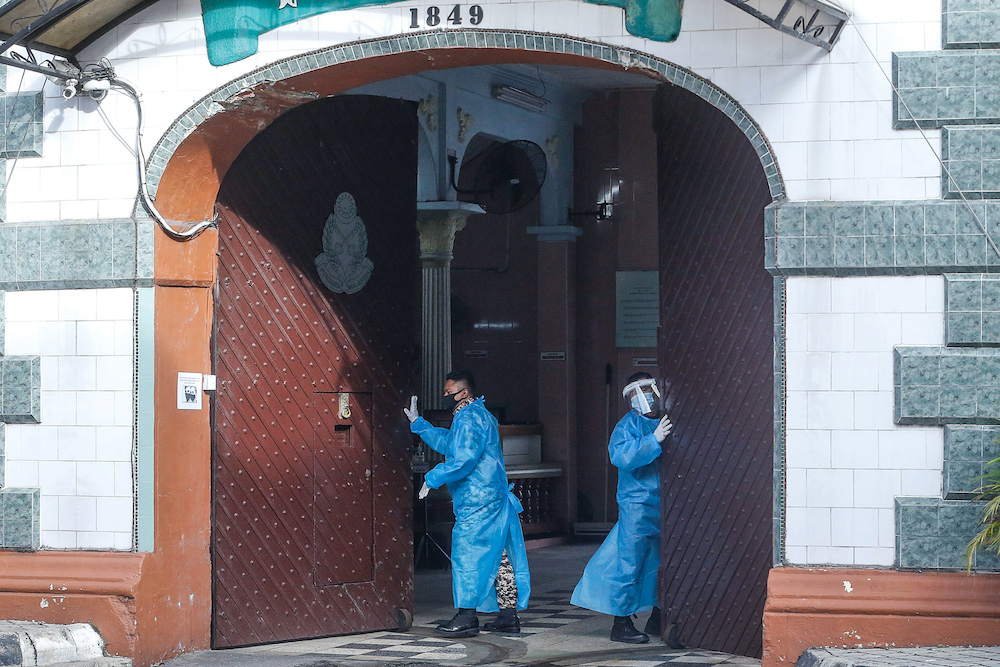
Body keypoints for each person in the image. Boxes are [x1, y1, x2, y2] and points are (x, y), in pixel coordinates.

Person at [405, 370, 530, 637]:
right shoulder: (477, 414)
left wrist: (432, 477)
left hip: (478, 501)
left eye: (449, 393)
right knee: (501, 555)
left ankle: (466, 616)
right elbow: (451, 443)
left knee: (467, 556)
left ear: (464, 393)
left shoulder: (469, 419)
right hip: (492, 498)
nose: (445, 396)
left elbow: (462, 460)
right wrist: (420, 424)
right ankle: (508, 617)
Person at [571, 372, 673, 644]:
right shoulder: (627, 426)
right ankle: (622, 624)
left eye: (646, 390)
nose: (642, 398)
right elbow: (622, 457)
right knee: (630, 563)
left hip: (667, 505)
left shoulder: (668, 420)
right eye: (634, 393)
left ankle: (658, 617)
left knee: (663, 563)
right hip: (637, 505)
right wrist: (654, 441)